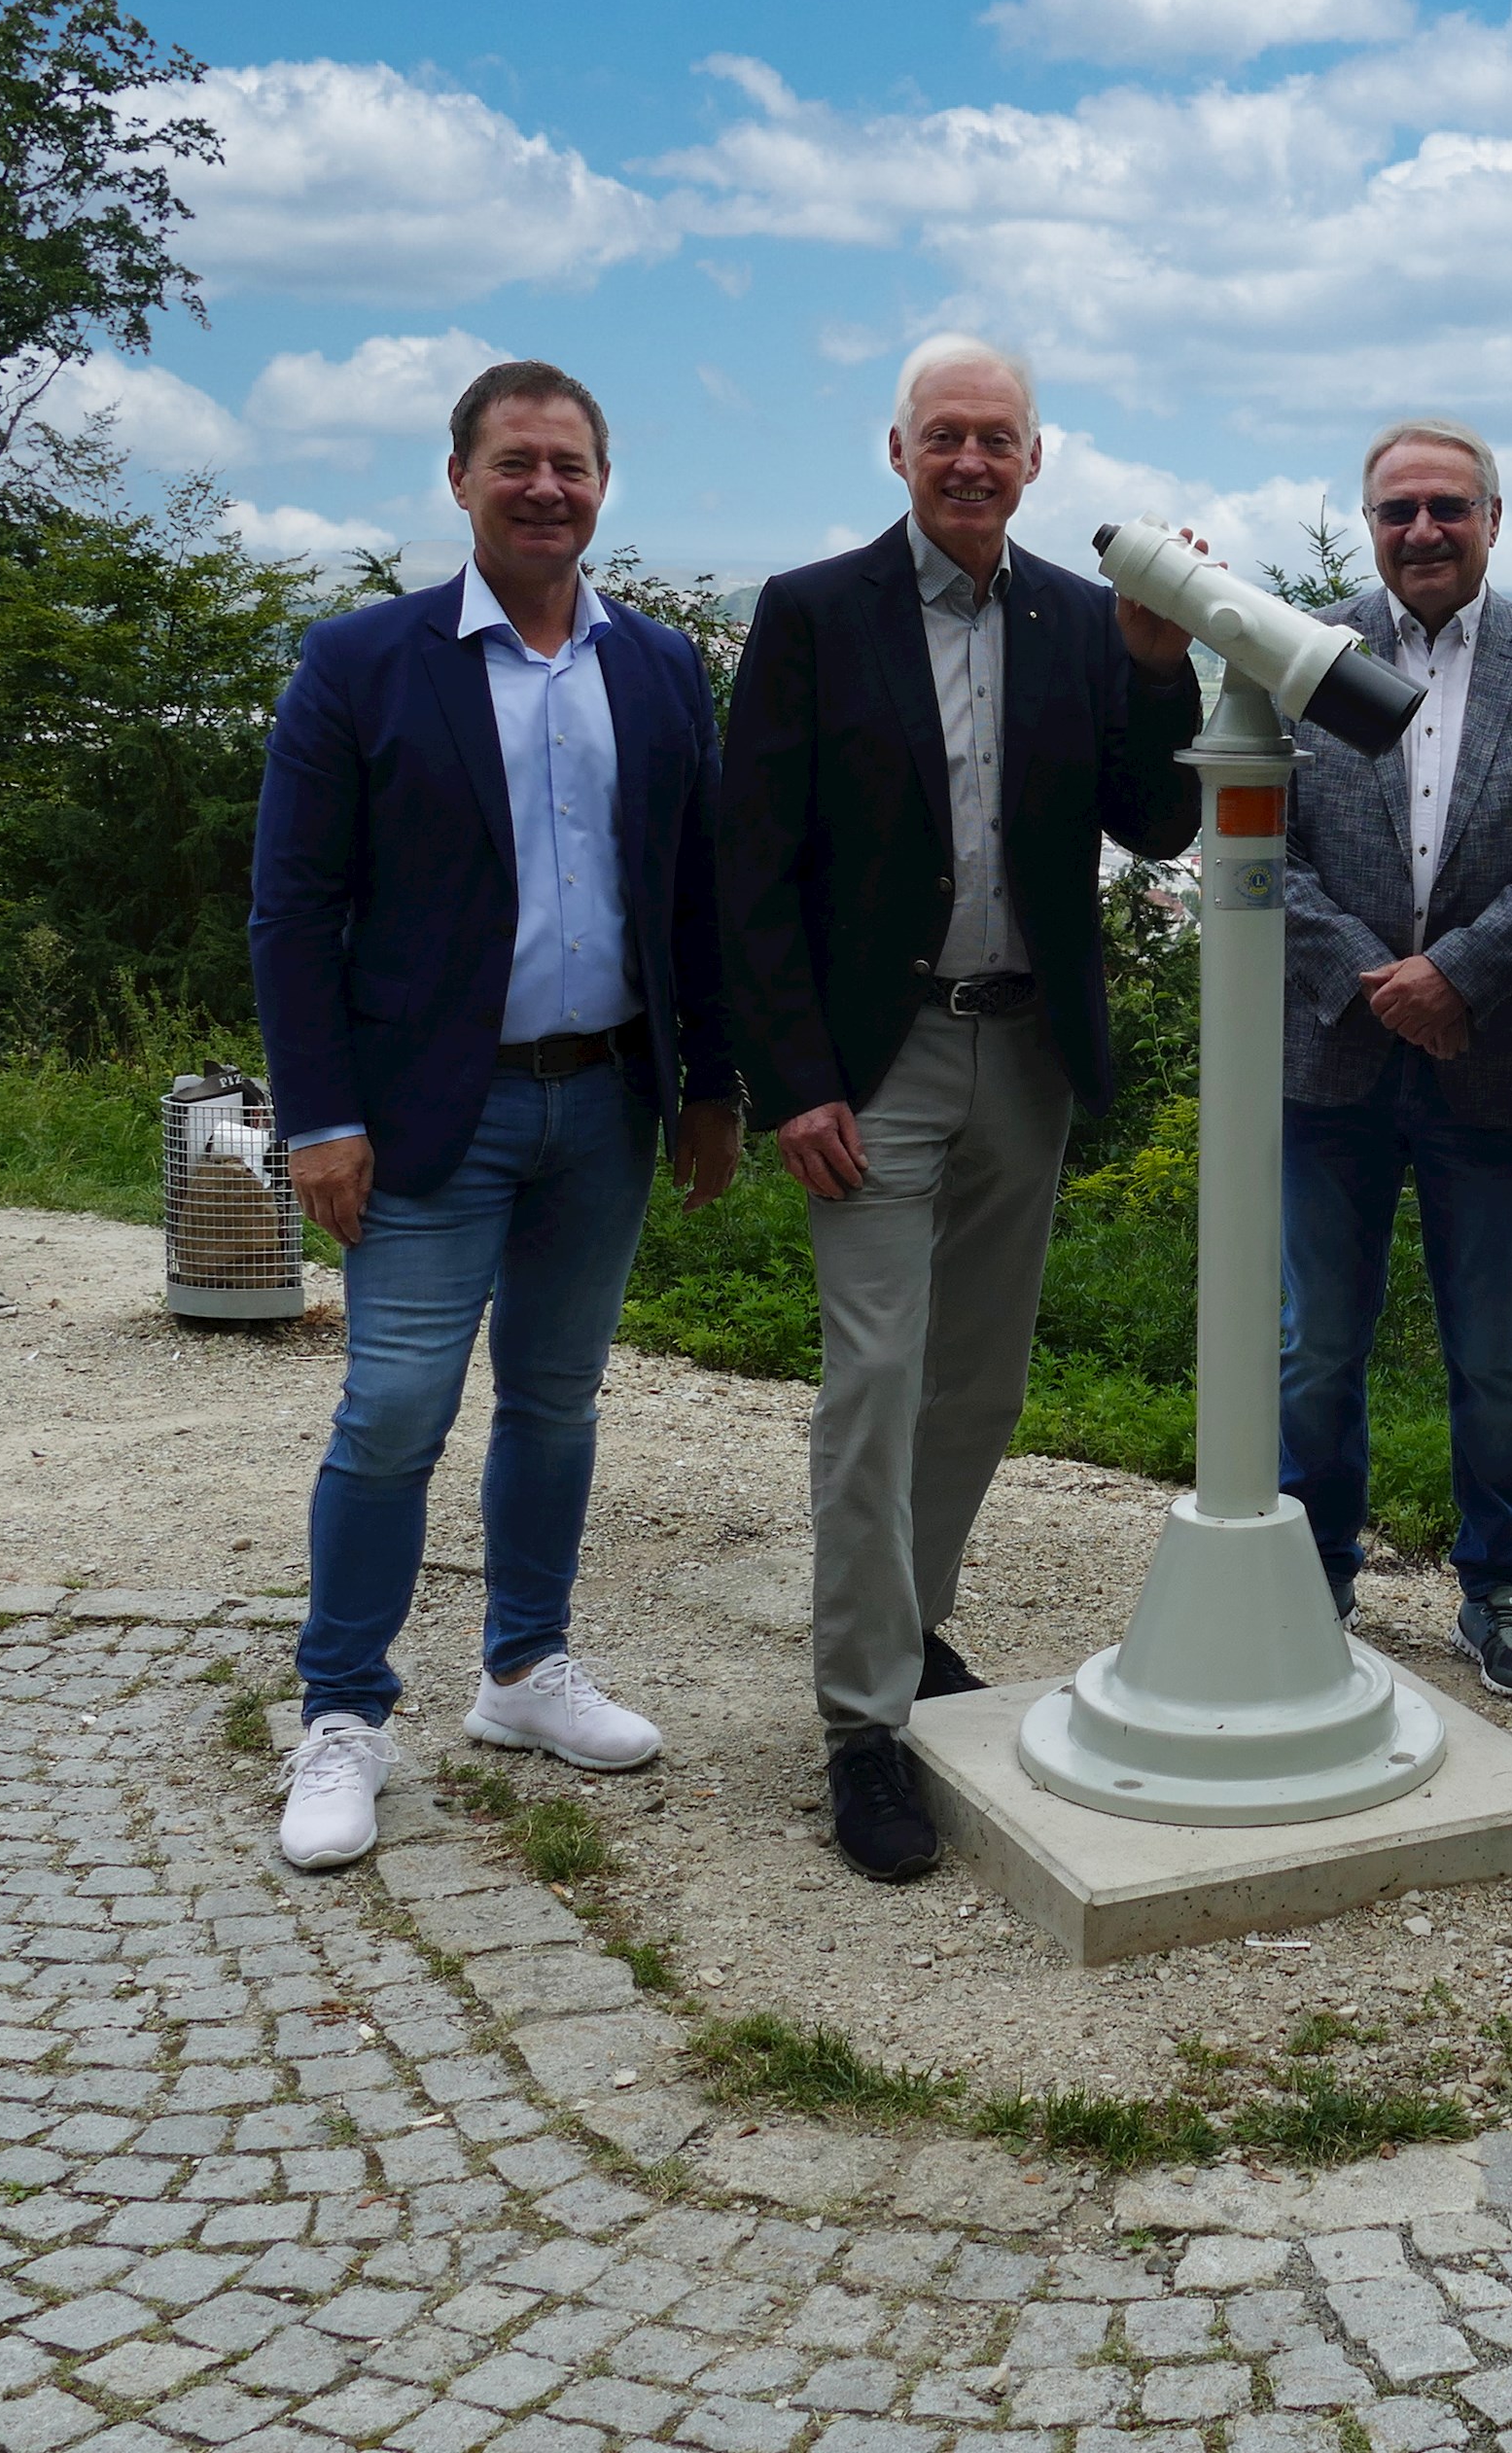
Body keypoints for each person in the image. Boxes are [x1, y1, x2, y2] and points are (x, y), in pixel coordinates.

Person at [719, 336, 1204, 1882]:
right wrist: (791, 1078)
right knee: (875, 1376)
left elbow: (1162, 817)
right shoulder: (810, 615)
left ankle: (909, 1626)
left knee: (980, 1384)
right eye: (947, 436)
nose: (974, 461)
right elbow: (753, 866)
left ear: (1036, 458)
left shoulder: (1076, 617)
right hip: (881, 1061)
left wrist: (1154, 656)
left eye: (999, 438)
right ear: (898, 449)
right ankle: (864, 1723)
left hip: (1029, 1053)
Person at [250, 360, 739, 1873]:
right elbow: (292, 909)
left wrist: (709, 1085)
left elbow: (697, 896)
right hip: (419, 1120)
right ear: (458, 478)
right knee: (394, 1411)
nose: (546, 488)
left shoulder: (659, 668)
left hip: (602, 1102)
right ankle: (344, 1714)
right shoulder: (362, 663)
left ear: (604, 487)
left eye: (571, 466)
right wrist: (320, 1115)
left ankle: (524, 1672)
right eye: (516, 462)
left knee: (557, 1400)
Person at [1274, 420, 1512, 1691]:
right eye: (1397, 511)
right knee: (1314, 1349)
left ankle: (1498, 1593)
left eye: (1448, 509)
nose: (1421, 532)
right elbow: (1257, 846)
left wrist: (1461, 974)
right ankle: (1308, 1588)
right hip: (1331, 1064)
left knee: (1495, 1358)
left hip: (1491, 1060)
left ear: (1494, 521)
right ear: (1371, 522)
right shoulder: (1303, 655)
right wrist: (1374, 980)